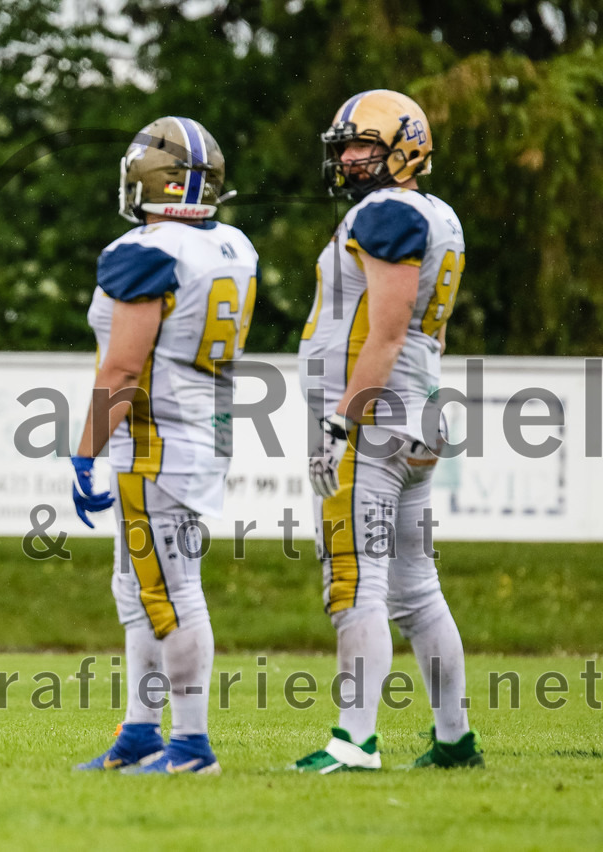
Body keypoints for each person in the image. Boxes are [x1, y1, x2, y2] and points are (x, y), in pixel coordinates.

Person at [293, 90, 484, 770]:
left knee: (355, 582)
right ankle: (455, 739)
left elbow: (388, 328)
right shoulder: (438, 214)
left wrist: (341, 421)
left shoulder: (387, 211)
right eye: (343, 145)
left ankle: (354, 740)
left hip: (374, 418)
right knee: (414, 587)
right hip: (415, 410)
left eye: (362, 145)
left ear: (404, 146)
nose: (347, 158)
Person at [71, 116, 258, 775]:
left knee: (170, 591)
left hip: (157, 438)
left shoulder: (148, 251)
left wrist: (86, 447)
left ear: (158, 181)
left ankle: (191, 744)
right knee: (138, 586)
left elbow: (122, 367)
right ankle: (143, 730)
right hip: (200, 426)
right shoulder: (231, 245)